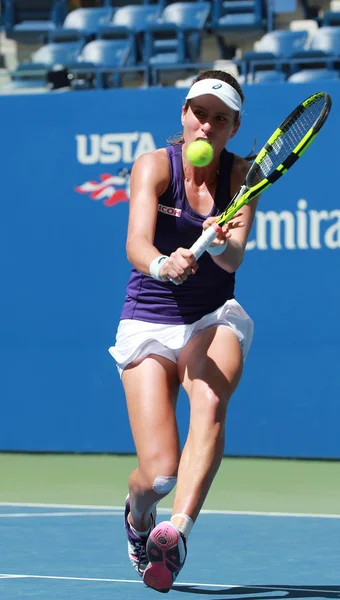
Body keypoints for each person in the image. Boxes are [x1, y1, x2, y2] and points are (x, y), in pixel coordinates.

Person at [108, 69, 259, 593]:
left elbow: (235, 252)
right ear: (184, 114)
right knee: (158, 475)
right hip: (148, 319)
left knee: (211, 401)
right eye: (199, 113)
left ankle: (177, 532)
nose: (206, 125)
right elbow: (137, 243)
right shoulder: (153, 165)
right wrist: (160, 266)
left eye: (220, 119)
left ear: (233, 128)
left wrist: (215, 244)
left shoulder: (241, 177)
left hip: (209, 317)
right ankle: (141, 516)